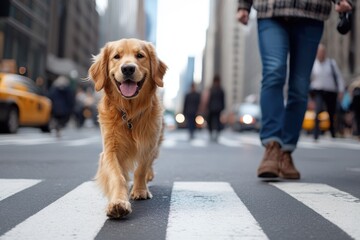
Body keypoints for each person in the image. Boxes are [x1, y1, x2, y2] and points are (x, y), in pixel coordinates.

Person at [237, 0, 352, 179]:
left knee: (300, 85)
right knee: (274, 72)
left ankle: (287, 151)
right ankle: (272, 146)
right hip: (271, 9)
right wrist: (244, 5)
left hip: (310, 10)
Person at [310, 44, 345, 140]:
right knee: (317, 112)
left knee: (331, 112)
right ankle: (316, 133)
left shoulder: (331, 63)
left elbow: (339, 78)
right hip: (318, 91)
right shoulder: (313, 64)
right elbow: (309, 79)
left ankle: (332, 131)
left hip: (330, 92)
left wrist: (341, 91)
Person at [207, 75, 225, 142]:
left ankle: (216, 134)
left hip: (216, 109)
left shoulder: (219, 90)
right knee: (211, 121)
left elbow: (223, 100)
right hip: (212, 108)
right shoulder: (213, 89)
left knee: (217, 122)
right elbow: (208, 99)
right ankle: (212, 134)